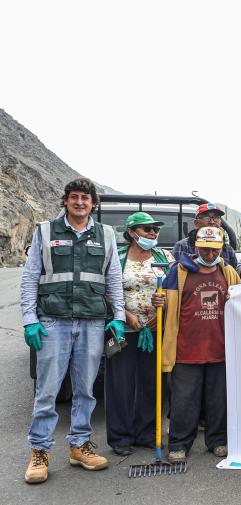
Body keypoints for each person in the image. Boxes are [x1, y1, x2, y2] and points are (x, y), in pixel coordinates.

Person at [21, 177, 125, 484]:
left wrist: (117, 316)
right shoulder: (45, 231)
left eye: (86, 198)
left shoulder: (105, 234)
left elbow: (114, 280)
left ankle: (79, 446)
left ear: (94, 203)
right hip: (53, 320)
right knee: (48, 391)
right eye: (74, 197)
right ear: (65, 201)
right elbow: (29, 278)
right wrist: (29, 319)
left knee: (85, 390)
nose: (80, 202)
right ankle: (39, 451)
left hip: (92, 322)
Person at [161, 226, 240, 463]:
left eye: (214, 249)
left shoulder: (228, 272)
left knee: (218, 399)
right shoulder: (180, 271)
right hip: (186, 349)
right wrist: (159, 300)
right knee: (184, 400)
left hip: (220, 348)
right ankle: (179, 443)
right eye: (204, 249)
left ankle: (218, 440)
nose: (209, 254)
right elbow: (166, 303)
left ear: (221, 248)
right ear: (196, 246)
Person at [106, 212, 174, 456]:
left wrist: (165, 304)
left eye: (155, 230)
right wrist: (124, 314)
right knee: (121, 384)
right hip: (125, 329)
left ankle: (146, 433)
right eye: (147, 230)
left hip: (156, 329)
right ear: (132, 232)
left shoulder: (164, 256)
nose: (153, 234)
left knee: (151, 383)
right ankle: (120, 437)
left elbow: (175, 288)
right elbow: (107, 290)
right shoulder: (117, 256)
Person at [171, 203, 238, 268]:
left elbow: (234, 274)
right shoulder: (182, 246)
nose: (212, 222)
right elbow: (175, 273)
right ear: (196, 223)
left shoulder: (227, 249)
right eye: (207, 217)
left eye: (216, 217)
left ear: (220, 223)